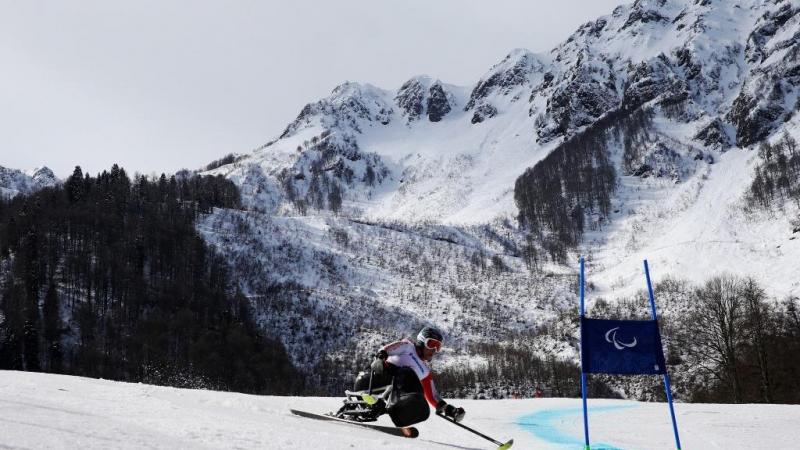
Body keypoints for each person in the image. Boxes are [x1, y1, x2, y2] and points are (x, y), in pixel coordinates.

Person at [341, 326, 466, 427]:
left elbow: (433, 396)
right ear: (422, 341)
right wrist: (380, 358)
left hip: (385, 397)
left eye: (437, 346)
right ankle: (391, 403)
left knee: (420, 402)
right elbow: (386, 349)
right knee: (408, 372)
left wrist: (450, 410)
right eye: (431, 344)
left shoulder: (425, 371)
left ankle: (396, 414)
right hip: (370, 382)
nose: (434, 350)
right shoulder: (408, 347)